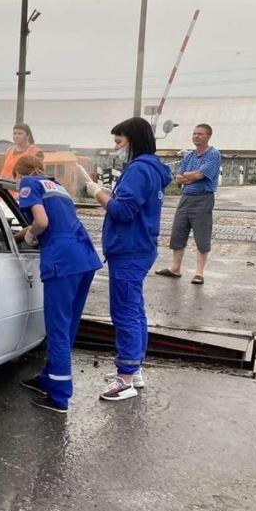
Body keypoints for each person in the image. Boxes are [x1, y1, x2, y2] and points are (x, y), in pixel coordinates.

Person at [85, 117, 171, 402]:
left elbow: (123, 211)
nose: (116, 148)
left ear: (132, 140)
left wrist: (97, 192)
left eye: (119, 142)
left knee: (124, 312)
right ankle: (134, 370)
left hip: (129, 249)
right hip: (140, 247)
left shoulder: (138, 170)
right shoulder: (153, 169)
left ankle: (125, 379)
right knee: (135, 310)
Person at [13, 155, 103, 413]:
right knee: (69, 325)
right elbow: (57, 221)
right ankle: (49, 378)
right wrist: (21, 234)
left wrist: (29, 235)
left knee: (57, 328)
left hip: (61, 262)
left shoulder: (29, 183)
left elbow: (41, 222)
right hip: (84, 257)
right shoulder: (57, 186)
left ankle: (59, 397)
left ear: (20, 174)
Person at [156, 123, 221, 284]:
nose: (196, 136)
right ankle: (175, 268)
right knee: (178, 232)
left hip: (203, 198)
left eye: (200, 134)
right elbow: (178, 178)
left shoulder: (213, 154)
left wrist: (189, 176)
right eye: (194, 133)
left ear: (208, 136)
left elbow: (200, 175)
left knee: (202, 235)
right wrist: (189, 176)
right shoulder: (189, 156)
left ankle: (199, 273)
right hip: (185, 198)